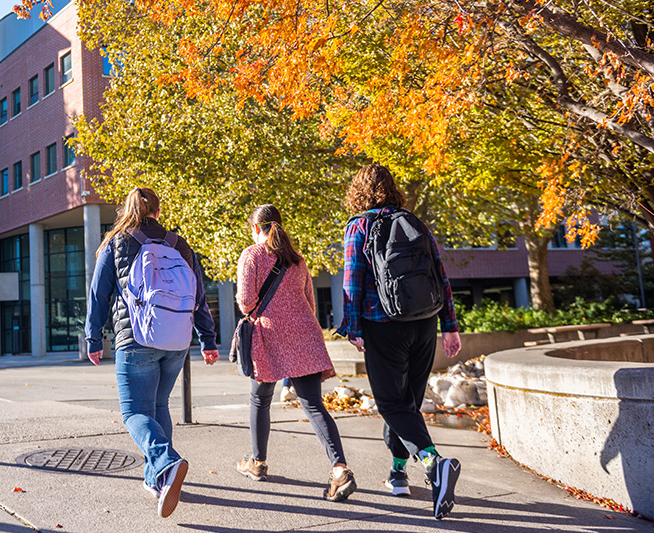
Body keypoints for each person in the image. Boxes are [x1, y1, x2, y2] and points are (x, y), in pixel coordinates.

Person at [336, 164, 464, 519]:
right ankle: (397, 473)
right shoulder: (415, 223)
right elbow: (441, 275)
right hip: (424, 322)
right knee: (407, 403)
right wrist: (450, 326)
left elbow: (353, 282)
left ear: (358, 192)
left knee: (392, 405)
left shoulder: (359, 226)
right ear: (392, 189)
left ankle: (433, 462)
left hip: (383, 324)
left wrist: (352, 328)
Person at [85, 187, 220, 518]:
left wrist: (93, 339)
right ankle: (157, 480)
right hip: (176, 341)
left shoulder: (115, 243)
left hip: (135, 340)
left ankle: (167, 462)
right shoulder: (179, 244)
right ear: (158, 212)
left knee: (134, 412)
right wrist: (208, 339)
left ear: (126, 210)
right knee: (158, 406)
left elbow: (98, 295)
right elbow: (198, 295)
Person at [235, 204, 356, 502]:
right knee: (313, 405)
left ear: (255, 228)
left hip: (270, 335)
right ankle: (340, 470)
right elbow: (310, 304)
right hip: (305, 335)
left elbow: (246, 303)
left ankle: (258, 463)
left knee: (260, 399)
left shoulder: (251, 255)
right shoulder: (297, 260)